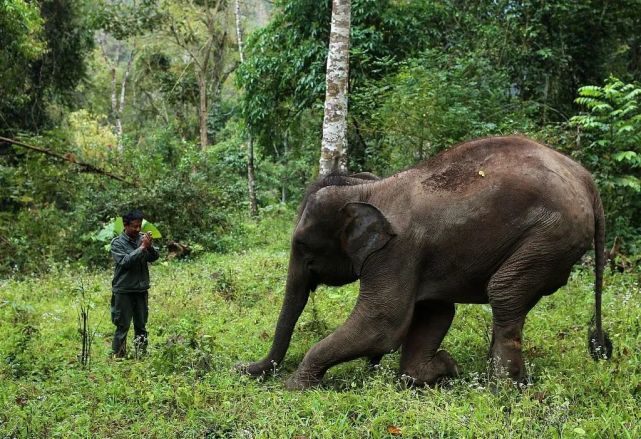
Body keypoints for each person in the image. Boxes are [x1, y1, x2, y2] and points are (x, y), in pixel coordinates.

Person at [110, 210, 159, 358]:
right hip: (123, 290)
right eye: (134, 226)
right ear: (125, 225)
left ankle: (141, 355)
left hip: (141, 289)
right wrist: (142, 248)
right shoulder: (117, 243)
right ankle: (119, 357)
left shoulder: (142, 239)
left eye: (139, 226)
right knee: (122, 326)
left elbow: (154, 257)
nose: (137, 229)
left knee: (141, 326)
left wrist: (149, 246)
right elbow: (125, 262)